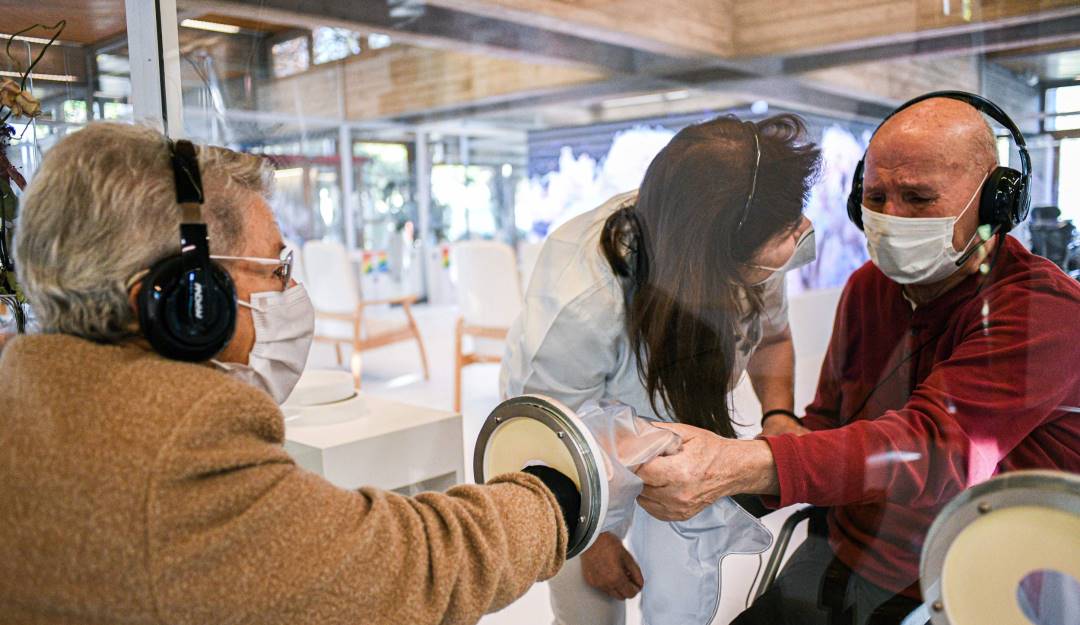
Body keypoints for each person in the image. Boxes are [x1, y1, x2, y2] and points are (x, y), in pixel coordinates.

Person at [0, 122, 580, 625]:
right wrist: (554, 494)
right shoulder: (178, 442)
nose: (291, 290)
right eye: (274, 268)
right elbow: (409, 570)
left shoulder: (21, 385)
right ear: (184, 298)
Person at [635, 95, 1080, 625]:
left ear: (993, 207)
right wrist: (718, 485)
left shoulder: (1042, 312)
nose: (890, 219)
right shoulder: (868, 288)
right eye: (875, 197)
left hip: (971, 573)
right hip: (852, 545)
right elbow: (831, 418)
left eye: (917, 198)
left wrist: (744, 466)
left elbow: (933, 448)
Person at [501, 114, 822, 624]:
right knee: (591, 608)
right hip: (575, 440)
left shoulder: (756, 234)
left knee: (682, 600)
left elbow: (774, 338)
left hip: (678, 426)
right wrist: (594, 539)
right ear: (709, 266)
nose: (796, 244)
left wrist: (778, 414)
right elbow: (549, 436)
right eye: (778, 246)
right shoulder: (583, 297)